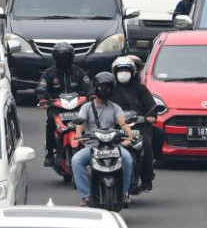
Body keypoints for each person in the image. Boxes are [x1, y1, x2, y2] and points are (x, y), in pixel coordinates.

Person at [73, 72, 134, 206]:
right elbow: (81, 122)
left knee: (128, 159)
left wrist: (129, 133)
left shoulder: (115, 107)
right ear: (96, 87)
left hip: (113, 146)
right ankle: (86, 195)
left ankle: (124, 193)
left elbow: (123, 123)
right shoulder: (87, 107)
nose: (105, 90)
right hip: (92, 146)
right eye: (102, 87)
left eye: (109, 87)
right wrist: (78, 133)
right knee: (76, 160)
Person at [35, 42, 93, 167]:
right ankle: (50, 153)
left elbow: (88, 86)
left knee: (90, 120)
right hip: (57, 107)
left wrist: (92, 95)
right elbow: (42, 87)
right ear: (55, 58)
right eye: (60, 56)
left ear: (71, 57)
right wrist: (42, 99)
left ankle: (93, 147)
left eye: (66, 56)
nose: (63, 59)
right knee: (50, 121)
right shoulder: (49, 73)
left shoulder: (79, 72)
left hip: (77, 106)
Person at [111, 56, 158, 193]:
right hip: (115, 126)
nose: (123, 73)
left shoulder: (141, 90)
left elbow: (151, 107)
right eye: (120, 70)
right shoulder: (110, 89)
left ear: (132, 72)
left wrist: (150, 116)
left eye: (126, 70)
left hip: (138, 126)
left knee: (147, 144)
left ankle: (147, 179)